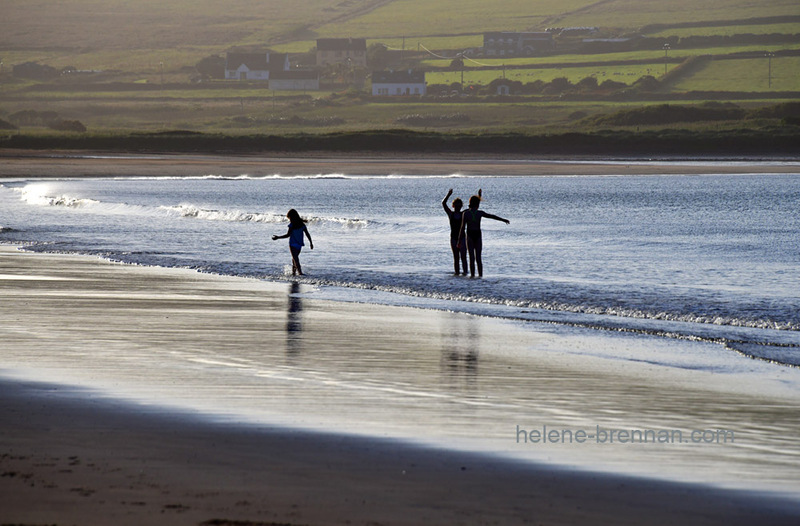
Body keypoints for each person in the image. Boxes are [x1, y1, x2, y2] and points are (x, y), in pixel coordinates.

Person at [457, 189, 509, 278]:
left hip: (469, 235)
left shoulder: (466, 214)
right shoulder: (479, 213)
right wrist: (503, 219)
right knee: (478, 258)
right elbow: (492, 216)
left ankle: (472, 276)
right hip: (477, 236)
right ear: (477, 204)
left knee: (471, 258)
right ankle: (480, 276)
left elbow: (462, 228)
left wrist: (459, 241)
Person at [272, 209, 313, 276]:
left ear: (293, 217)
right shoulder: (293, 225)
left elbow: (307, 234)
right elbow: (288, 235)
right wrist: (278, 237)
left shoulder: (300, 225)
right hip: (293, 244)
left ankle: (294, 273)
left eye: (290, 218)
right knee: (295, 258)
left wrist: (311, 242)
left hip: (298, 244)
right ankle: (300, 273)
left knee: (294, 259)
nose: (289, 220)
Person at [442, 188, 468, 275]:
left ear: (461, 206)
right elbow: (443, 203)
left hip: (463, 238)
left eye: (459, 205)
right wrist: (448, 195)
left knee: (463, 258)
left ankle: (465, 273)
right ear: (453, 206)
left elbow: (473, 207)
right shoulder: (451, 214)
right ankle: (457, 274)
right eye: (456, 205)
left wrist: (479, 196)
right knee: (456, 258)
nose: (457, 207)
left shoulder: (463, 214)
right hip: (453, 238)